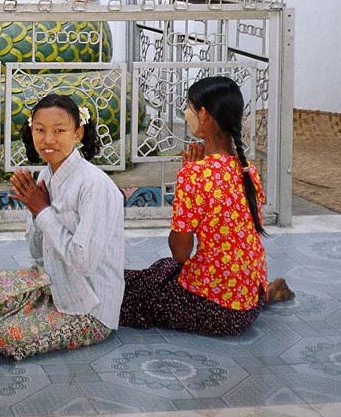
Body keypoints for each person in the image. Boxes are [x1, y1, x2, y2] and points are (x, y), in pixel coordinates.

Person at [120, 75, 293, 337]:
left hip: (215, 311)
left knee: (130, 293)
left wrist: (187, 179)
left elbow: (180, 252)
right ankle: (267, 293)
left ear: (203, 115)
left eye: (188, 107)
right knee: (161, 270)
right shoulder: (248, 171)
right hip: (248, 301)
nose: (186, 113)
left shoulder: (195, 175)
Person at [0, 94, 125, 360]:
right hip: (55, 284)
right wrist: (34, 212)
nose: (48, 140)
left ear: (78, 132)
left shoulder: (95, 186)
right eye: (40, 130)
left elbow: (84, 263)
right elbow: (37, 254)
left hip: (91, 309)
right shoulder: (47, 174)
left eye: (60, 130)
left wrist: (42, 211)